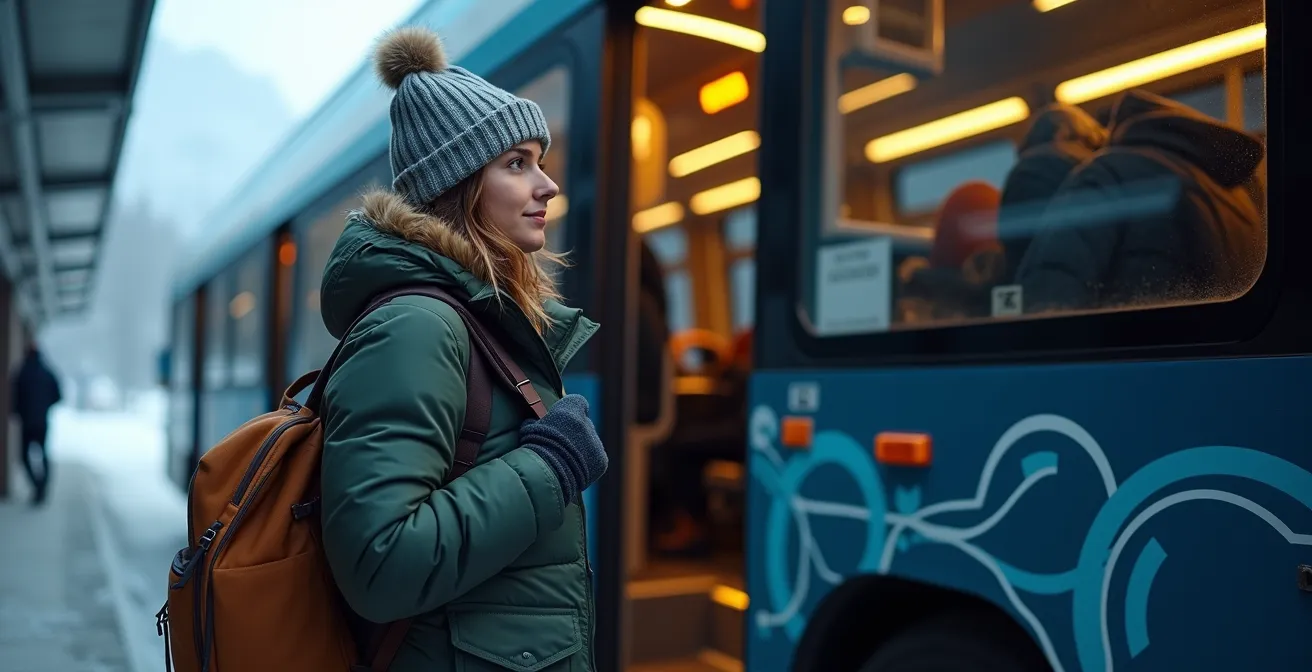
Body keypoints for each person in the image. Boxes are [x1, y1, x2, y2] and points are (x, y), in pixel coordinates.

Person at [316, 27, 608, 671]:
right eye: (516, 163)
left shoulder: (472, 319)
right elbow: (380, 563)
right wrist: (548, 468)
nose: (548, 185)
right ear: (460, 185)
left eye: (539, 160)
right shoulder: (418, 326)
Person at [10, 342, 62, 505]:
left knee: (24, 457)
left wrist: (18, 411)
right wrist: (45, 406)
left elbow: (14, 397)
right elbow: (58, 395)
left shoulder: (22, 372)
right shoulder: (47, 373)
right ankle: (42, 486)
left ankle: (37, 486)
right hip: (41, 421)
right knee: (43, 455)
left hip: (27, 422)